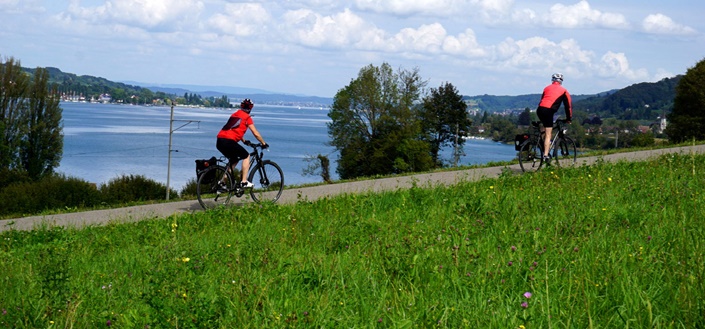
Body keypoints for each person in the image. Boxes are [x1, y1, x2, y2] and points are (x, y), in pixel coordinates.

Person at [216, 98, 268, 188]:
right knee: (246, 156)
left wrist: (244, 141)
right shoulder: (247, 117)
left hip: (220, 141)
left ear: (241, 106)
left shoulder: (235, 114)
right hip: (229, 141)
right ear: (251, 108)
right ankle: (244, 182)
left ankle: (223, 181)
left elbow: (233, 129)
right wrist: (263, 143)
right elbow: (255, 133)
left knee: (234, 159)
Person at [536, 73, 572, 163]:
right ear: (561, 81)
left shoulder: (546, 88)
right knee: (549, 134)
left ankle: (540, 143)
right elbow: (568, 106)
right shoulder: (564, 91)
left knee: (544, 129)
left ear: (552, 80)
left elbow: (542, 100)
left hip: (539, 109)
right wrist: (569, 118)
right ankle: (545, 155)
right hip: (549, 111)